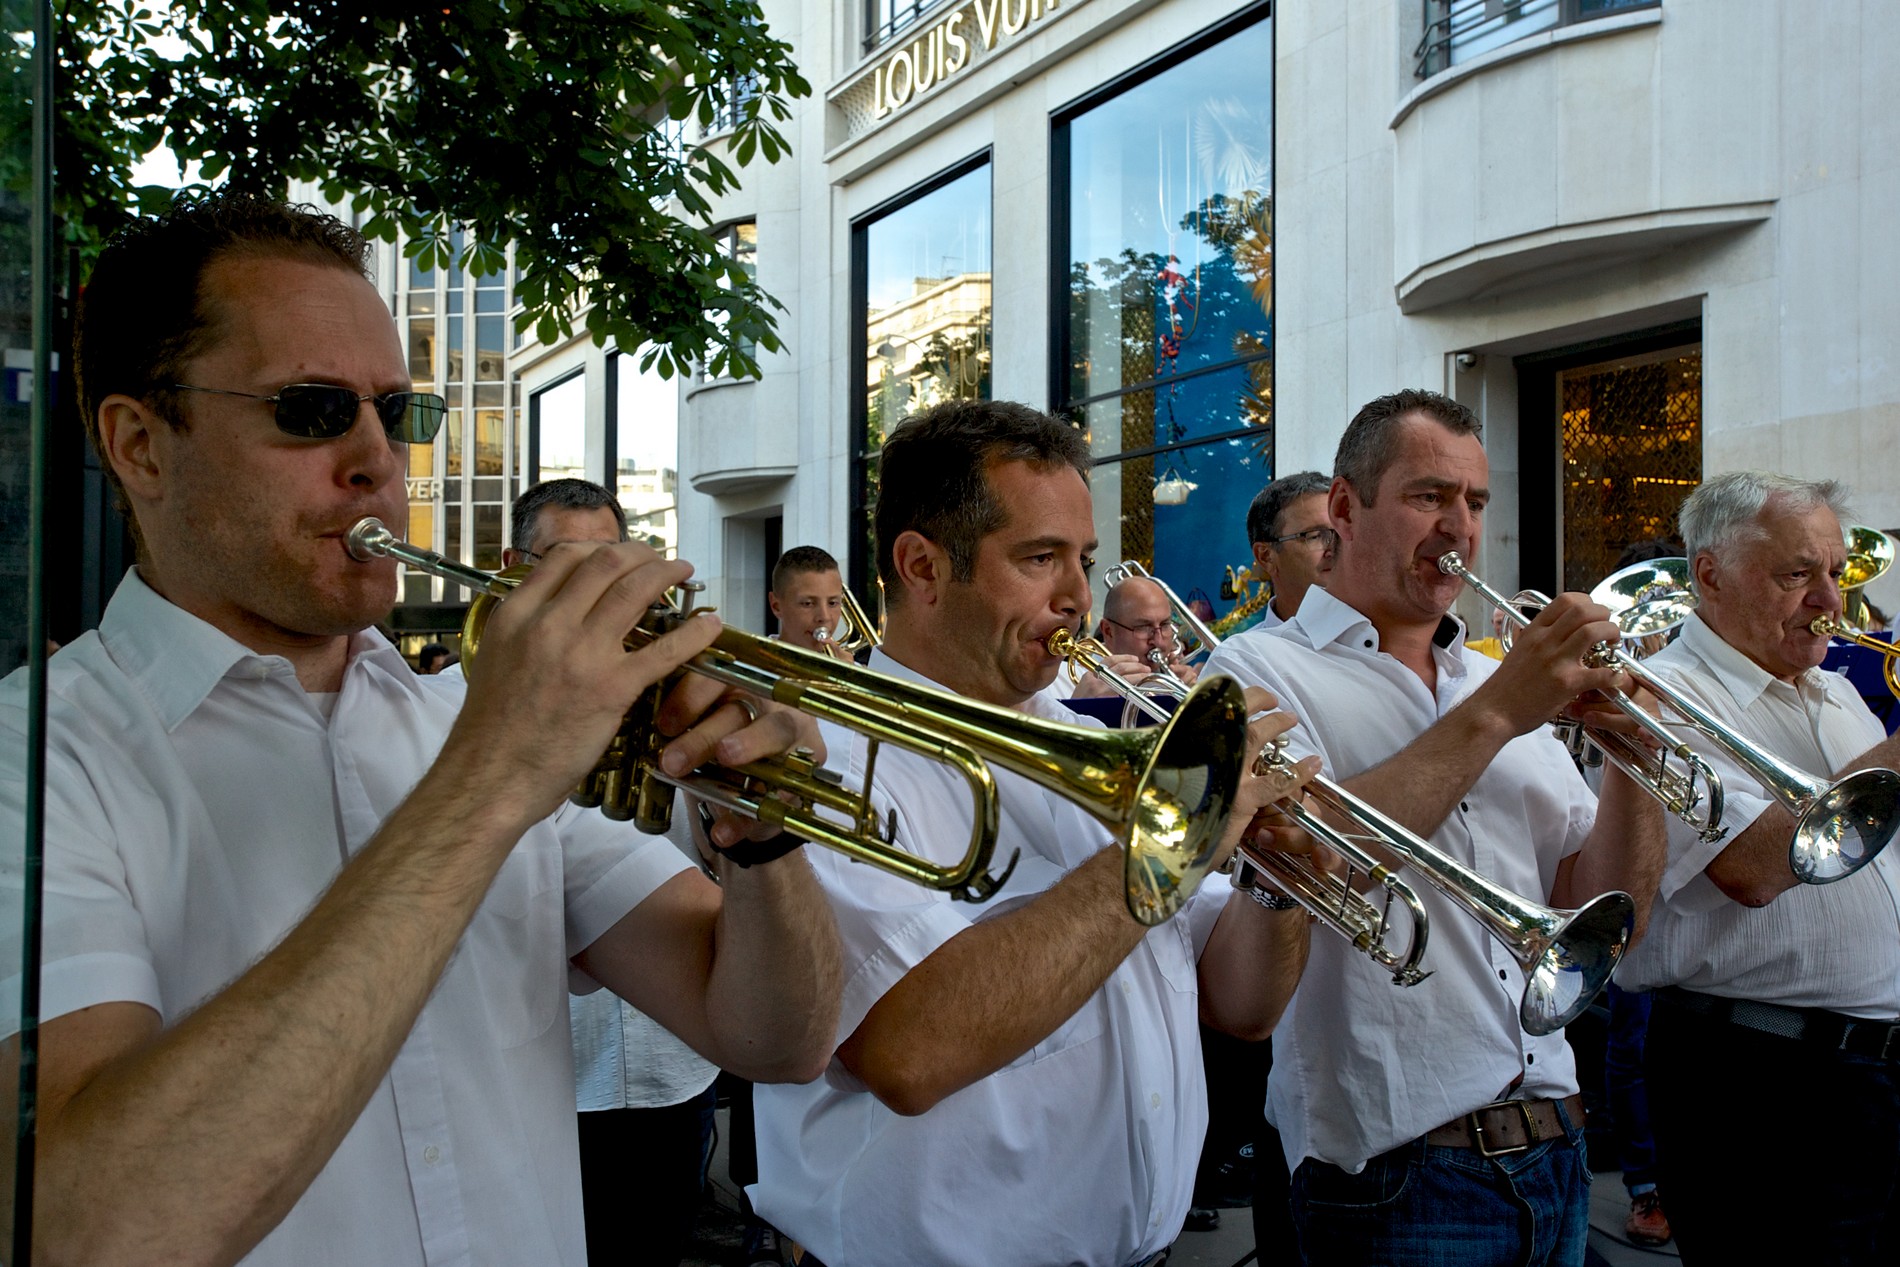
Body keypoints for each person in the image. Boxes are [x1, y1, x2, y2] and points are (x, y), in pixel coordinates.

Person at [0, 193, 842, 1267]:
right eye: (311, 410)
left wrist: (761, 840)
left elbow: (778, 1036)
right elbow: (90, 1231)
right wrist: (492, 779)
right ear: (140, 445)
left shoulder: (460, 722)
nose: (378, 463)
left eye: (395, 414)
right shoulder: (37, 760)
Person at [750, 398, 1325, 1267]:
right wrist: (1169, 841)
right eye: (1040, 558)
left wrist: (1274, 879)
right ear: (923, 567)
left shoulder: (1101, 740)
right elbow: (909, 1052)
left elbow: (1244, 1005)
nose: (1077, 598)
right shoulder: (824, 761)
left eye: (1082, 559)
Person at [1204, 388, 1666, 1267]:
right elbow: (1310, 855)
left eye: (1475, 501)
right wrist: (1499, 711)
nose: (1459, 527)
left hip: (1557, 1143)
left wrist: (1635, 760)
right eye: (1428, 496)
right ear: (1344, 506)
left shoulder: (1491, 674)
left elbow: (1601, 916)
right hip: (1394, 1169)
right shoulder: (1256, 667)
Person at [1614, 471, 1900, 1265]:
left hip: (1868, 1072)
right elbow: (1748, 867)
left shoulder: (1840, 691)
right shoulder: (1658, 694)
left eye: (1835, 572)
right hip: (1763, 1083)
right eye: (1796, 574)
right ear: (1709, 573)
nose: (1832, 602)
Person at [505, 477, 721, 1267]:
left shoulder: (677, 700)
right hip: (551, 1077)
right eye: (567, 564)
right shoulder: (449, 705)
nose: (594, 590)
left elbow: (713, 867)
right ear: (513, 567)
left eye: (612, 566)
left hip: (671, 1066)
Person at [1244, 470, 1335, 629]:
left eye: (1343, 533)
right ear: (1266, 557)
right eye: (1314, 536)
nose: (1335, 547)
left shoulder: (1383, 638)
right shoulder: (1246, 653)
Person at [1097, 574, 1199, 686]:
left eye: (1165, 625)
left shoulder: (1174, 676)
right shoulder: (1083, 684)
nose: (1159, 642)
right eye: (1143, 628)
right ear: (1108, 631)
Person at [769, 546, 853, 659]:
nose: (824, 617)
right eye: (808, 604)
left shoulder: (853, 668)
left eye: (832, 603)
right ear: (776, 607)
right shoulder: (749, 669)